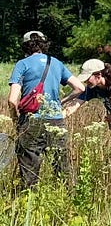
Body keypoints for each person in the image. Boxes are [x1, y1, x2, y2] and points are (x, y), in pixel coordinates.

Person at [8, 31, 85, 189]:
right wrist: (60, 102)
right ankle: (68, 202)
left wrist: (16, 120)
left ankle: (30, 205)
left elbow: (12, 99)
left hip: (31, 121)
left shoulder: (22, 64)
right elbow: (80, 87)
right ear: (44, 44)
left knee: (30, 172)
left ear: (26, 46)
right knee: (62, 168)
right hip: (56, 121)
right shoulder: (56, 63)